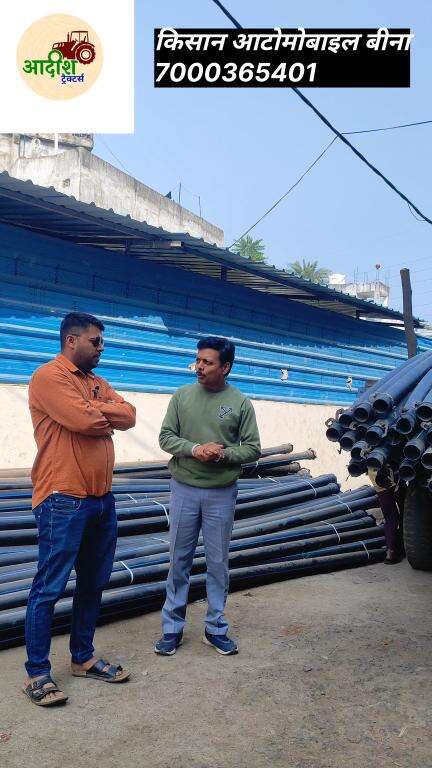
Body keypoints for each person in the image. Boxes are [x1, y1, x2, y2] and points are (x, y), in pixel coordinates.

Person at [23, 312, 136, 706]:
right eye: (95, 341)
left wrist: (96, 407)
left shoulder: (93, 381)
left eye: (102, 341)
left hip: (101, 500)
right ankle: (37, 673)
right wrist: (101, 411)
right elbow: (84, 421)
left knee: (93, 582)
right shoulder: (49, 376)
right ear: (72, 341)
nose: (101, 348)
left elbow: (129, 415)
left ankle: (82, 658)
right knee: (48, 588)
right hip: (63, 499)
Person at [155, 336, 261, 657]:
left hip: (221, 493)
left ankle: (215, 628)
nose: (199, 367)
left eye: (207, 362)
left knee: (217, 563)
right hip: (184, 488)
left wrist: (222, 454)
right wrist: (195, 449)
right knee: (179, 560)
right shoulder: (182, 397)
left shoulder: (240, 403)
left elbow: (252, 448)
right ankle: (172, 628)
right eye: (198, 360)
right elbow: (166, 437)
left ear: (225, 367)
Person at [368, 466, 405, 564]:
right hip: (394, 479)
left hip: (378, 481)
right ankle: (396, 550)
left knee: (390, 517)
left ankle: (391, 551)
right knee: (404, 513)